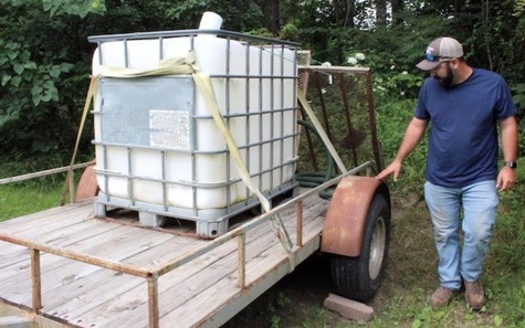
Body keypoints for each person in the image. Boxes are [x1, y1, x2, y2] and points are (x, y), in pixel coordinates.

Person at [376, 36, 518, 310]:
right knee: (444, 233)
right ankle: (450, 281)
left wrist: (509, 165)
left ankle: (471, 277)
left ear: (454, 62)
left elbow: (508, 124)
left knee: (478, 231)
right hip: (440, 178)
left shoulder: (492, 84)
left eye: (435, 68)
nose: (431, 73)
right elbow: (418, 124)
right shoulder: (431, 88)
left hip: (480, 176)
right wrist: (398, 159)